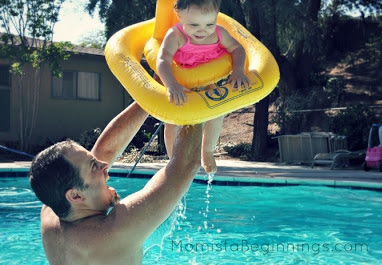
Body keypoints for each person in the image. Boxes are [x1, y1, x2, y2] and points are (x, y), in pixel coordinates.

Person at [29, 102, 203, 265]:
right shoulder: (115, 230)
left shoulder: (51, 209)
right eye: (94, 166)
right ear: (75, 195)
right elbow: (185, 165)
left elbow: (106, 150)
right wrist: (195, 95)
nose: (104, 165)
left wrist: (149, 97)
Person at [156, 0, 250, 174]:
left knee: (218, 111)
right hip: (182, 84)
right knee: (172, 120)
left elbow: (237, 49)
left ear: (216, 18)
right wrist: (171, 85)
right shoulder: (175, 35)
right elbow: (162, 60)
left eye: (210, 24)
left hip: (207, 82)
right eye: (194, 24)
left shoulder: (219, 34)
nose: (203, 30)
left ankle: (207, 150)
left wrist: (238, 70)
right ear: (180, 15)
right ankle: (173, 159)